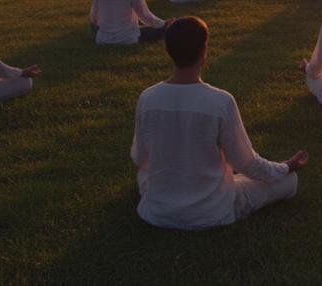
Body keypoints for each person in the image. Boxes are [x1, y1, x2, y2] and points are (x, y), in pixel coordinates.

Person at [132, 17, 308, 230]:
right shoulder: (220, 102)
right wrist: (286, 166)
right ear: (204, 50)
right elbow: (248, 165)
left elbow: (139, 158)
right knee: (289, 181)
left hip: (158, 211)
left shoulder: (148, 98)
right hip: (212, 212)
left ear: (168, 50)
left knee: (144, 174)